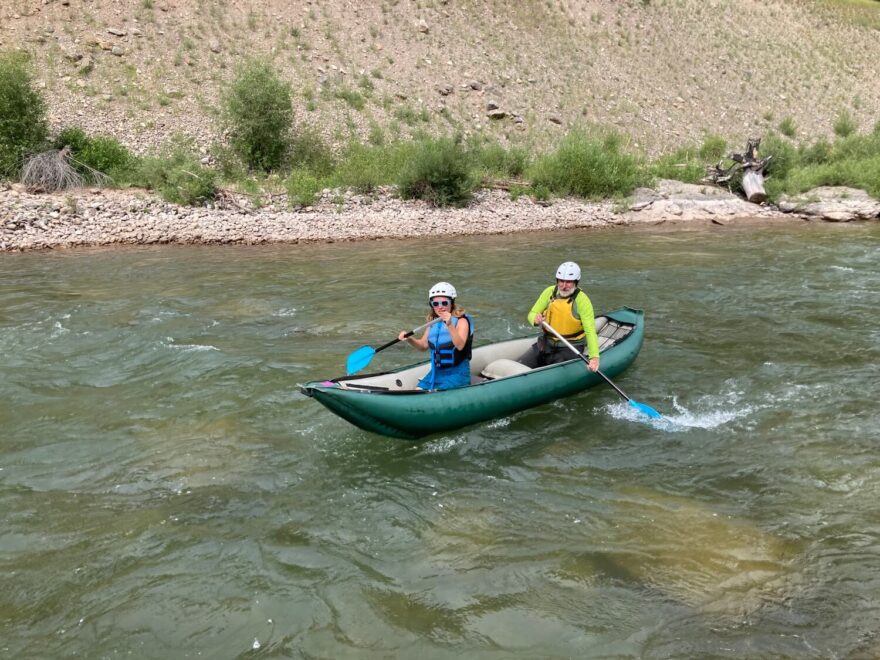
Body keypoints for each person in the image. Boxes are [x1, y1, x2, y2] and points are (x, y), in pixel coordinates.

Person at [399, 282, 474, 390]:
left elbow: (460, 345)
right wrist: (409, 339)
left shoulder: (462, 321)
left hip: (457, 373)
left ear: (452, 303)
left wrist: (449, 325)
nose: (440, 307)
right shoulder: (433, 323)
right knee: (418, 390)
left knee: (437, 393)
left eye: (444, 303)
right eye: (435, 304)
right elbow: (423, 346)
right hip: (436, 372)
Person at [527, 261, 600, 371]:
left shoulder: (582, 301)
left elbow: (590, 331)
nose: (564, 286)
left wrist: (594, 357)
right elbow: (531, 313)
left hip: (571, 346)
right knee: (525, 362)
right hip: (547, 342)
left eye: (568, 282)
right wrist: (536, 320)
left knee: (555, 363)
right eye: (561, 281)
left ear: (576, 282)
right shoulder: (549, 292)